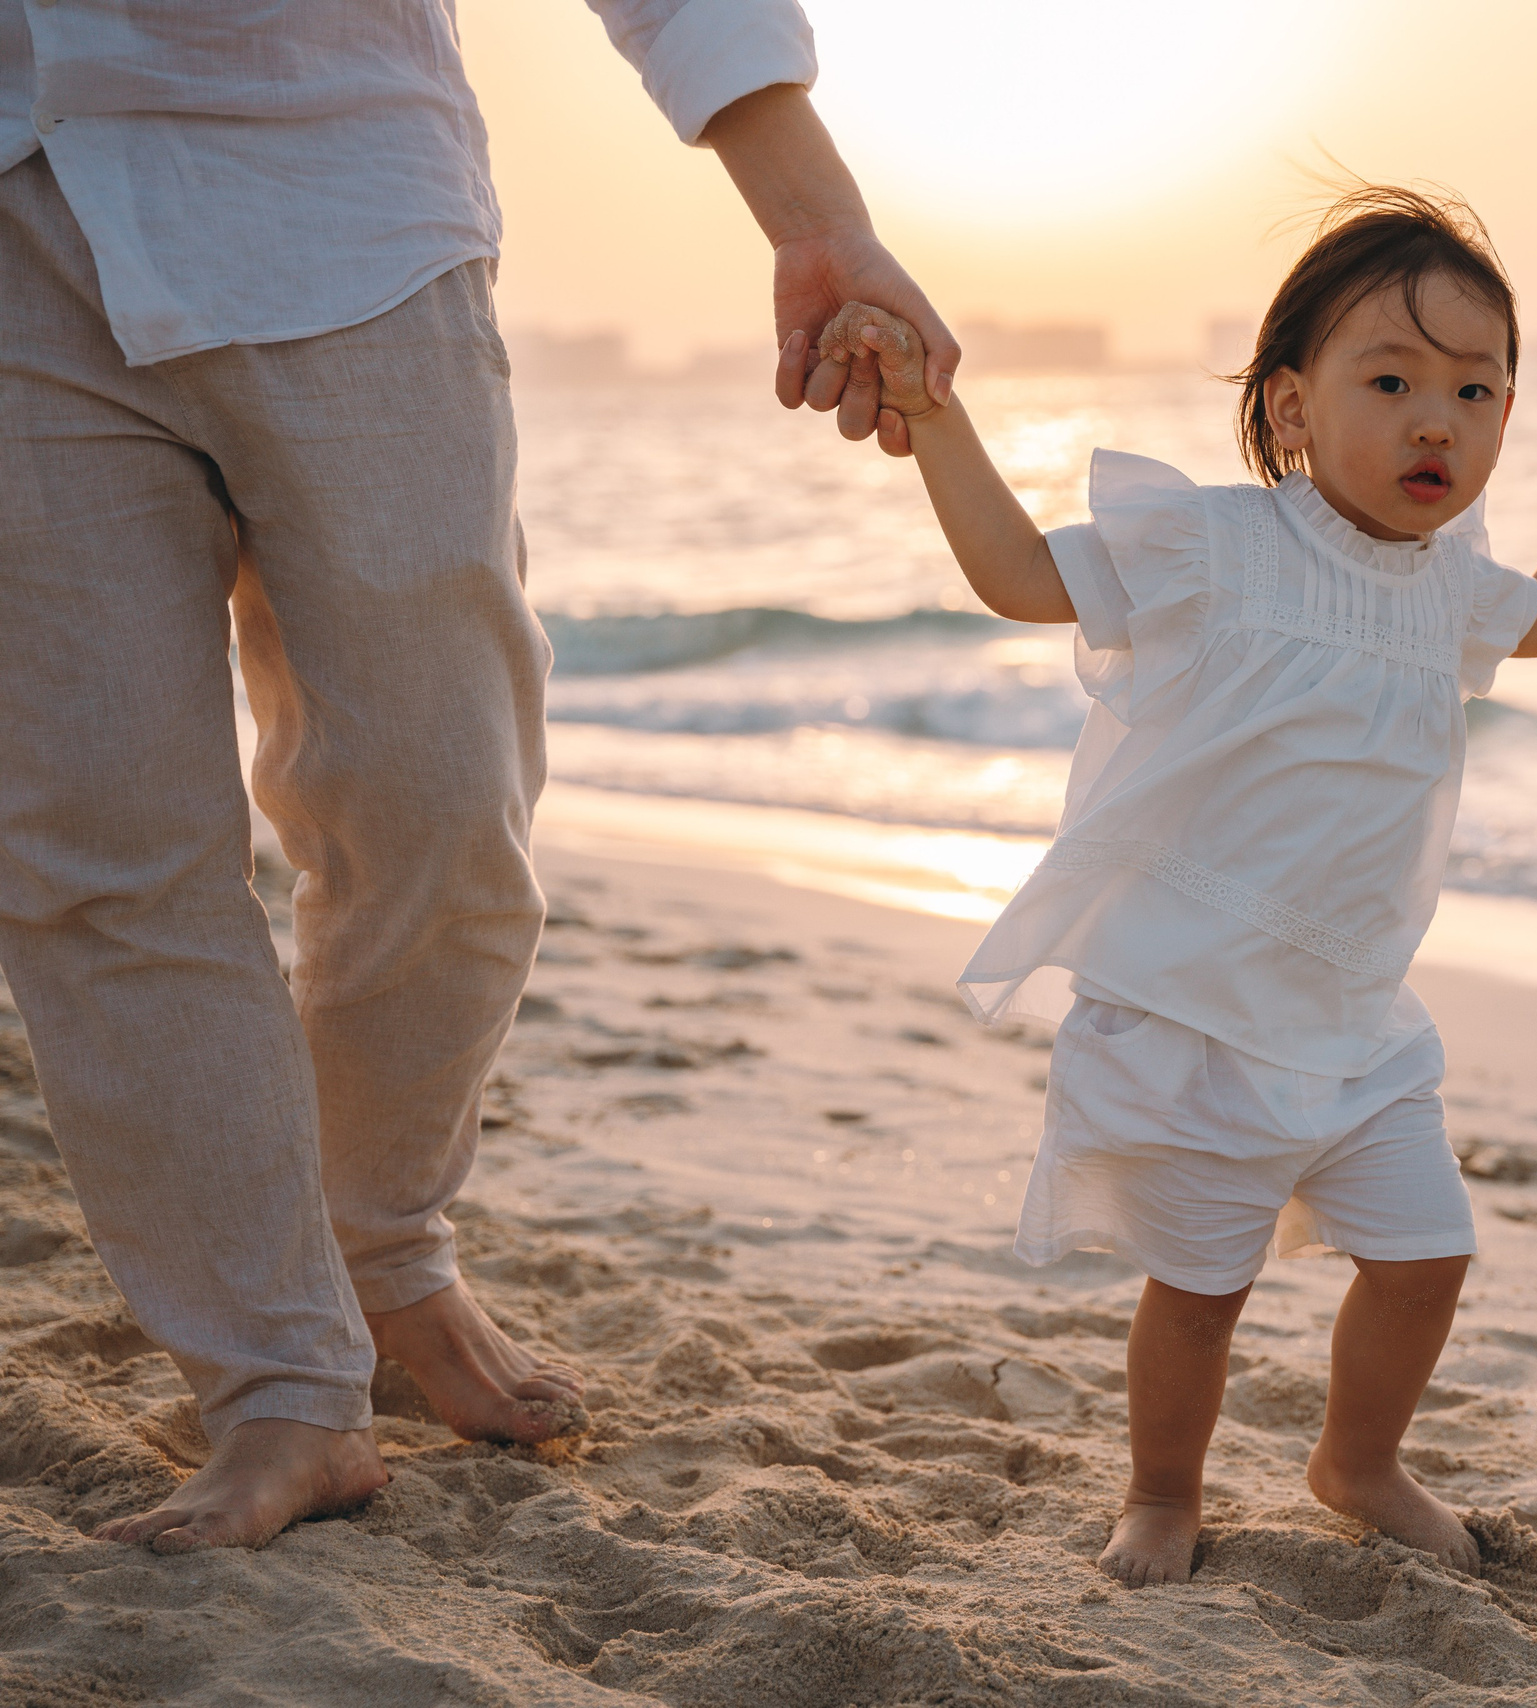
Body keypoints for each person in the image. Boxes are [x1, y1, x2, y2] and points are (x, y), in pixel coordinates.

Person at [0, 1, 953, 1553]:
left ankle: (379, 1244)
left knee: (444, 794)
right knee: (105, 859)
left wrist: (818, 217)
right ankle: (279, 1387)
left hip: (343, 199)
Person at [820, 188, 1537, 1587]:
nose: (1437, 422)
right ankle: (1162, 1491)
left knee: (1427, 1259)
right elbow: (1018, 576)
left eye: (1476, 392)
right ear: (1293, 407)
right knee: (1202, 1293)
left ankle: (1357, 1462)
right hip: (1197, 1014)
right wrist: (933, 418)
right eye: (1392, 383)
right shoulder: (1216, 547)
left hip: (1355, 1023)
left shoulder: (1450, 588)